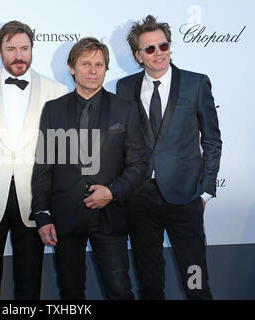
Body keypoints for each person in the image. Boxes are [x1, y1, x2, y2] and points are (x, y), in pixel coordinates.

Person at [30, 37, 149, 300]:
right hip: (65, 217)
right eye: (85, 64)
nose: (93, 70)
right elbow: (43, 166)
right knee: (71, 292)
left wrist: (112, 191)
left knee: (119, 289)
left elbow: (140, 163)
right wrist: (42, 214)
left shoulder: (125, 109)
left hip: (110, 215)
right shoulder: (53, 110)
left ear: (106, 69)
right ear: (72, 67)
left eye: (99, 64)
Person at [116, 15, 222, 300]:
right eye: (149, 49)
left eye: (163, 46)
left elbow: (212, 140)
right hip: (140, 198)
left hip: (185, 197)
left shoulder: (195, 84)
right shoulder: (125, 88)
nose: (158, 53)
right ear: (138, 55)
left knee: (196, 280)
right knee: (150, 283)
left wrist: (205, 192)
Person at [0, 20, 67, 300]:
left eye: (24, 48)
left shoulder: (56, 91)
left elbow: (59, 155)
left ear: (32, 49)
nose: (18, 55)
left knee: (30, 278)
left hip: (36, 198)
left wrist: (53, 203)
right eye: (11, 49)